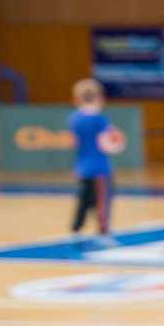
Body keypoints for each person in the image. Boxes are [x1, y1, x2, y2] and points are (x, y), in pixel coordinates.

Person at [68, 78, 117, 242]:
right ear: (99, 97)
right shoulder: (99, 120)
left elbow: (74, 143)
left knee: (84, 199)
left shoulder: (74, 118)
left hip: (82, 167)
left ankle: (76, 230)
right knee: (103, 200)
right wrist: (115, 143)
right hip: (100, 168)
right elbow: (107, 143)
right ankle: (104, 233)